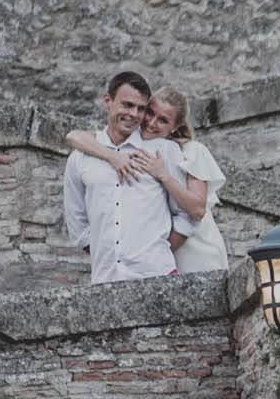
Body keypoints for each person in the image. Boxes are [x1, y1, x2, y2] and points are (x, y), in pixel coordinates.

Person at [65, 86, 231, 274]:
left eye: (163, 120)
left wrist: (163, 175)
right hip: (160, 257)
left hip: (196, 250)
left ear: (175, 126)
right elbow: (74, 136)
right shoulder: (135, 146)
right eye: (150, 113)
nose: (151, 123)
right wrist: (112, 157)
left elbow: (197, 210)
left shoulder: (191, 151)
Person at [61, 71, 196, 284]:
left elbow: (186, 215)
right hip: (105, 279)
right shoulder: (80, 157)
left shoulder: (164, 151)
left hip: (158, 276)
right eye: (127, 105)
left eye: (141, 109)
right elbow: (77, 221)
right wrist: (108, 254)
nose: (134, 114)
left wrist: (155, 252)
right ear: (108, 101)